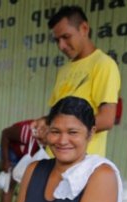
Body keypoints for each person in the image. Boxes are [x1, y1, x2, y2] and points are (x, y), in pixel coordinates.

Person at [46, 6, 121, 157]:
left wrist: (60, 131)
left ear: (84, 29)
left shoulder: (103, 64)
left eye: (66, 37)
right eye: (57, 40)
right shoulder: (64, 70)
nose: (61, 46)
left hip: (82, 165)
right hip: (54, 160)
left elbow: (106, 119)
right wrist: (42, 123)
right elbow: (56, 117)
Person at [0, 117, 48, 202]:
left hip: (30, 154)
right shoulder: (25, 131)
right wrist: (5, 160)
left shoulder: (52, 139)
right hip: (14, 152)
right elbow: (5, 134)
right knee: (9, 184)